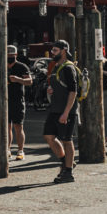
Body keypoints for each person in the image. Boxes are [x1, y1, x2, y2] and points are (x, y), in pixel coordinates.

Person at [43, 39, 78, 184]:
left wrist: (66, 112)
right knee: (48, 136)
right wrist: (51, 90)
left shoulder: (68, 68)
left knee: (66, 139)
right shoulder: (57, 66)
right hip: (55, 108)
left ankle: (68, 172)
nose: (52, 53)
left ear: (63, 51)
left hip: (66, 111)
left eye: (55, 50)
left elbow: (73, 91)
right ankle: (65, 162)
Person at [7, 44, 32, 160]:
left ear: (16, 55)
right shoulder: (1, 65)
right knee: (6, 127)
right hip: (4, 100)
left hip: (18, 99)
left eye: (12, 55)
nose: (9, 57)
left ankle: (20, 150)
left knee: (18, 126)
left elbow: (30, 81)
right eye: (7, 55)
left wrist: (18, 79)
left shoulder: (22, 66)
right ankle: (7, 149)